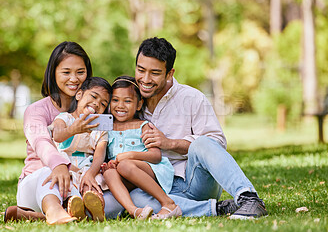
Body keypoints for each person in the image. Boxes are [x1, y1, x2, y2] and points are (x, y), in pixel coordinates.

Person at [104, 37, 268, 220]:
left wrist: (170, 143)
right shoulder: (130, 101)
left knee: (202, 143)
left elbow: (216, 144)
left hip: (195, 181)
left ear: (169, 73)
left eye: (155, 73)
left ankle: (249, 198)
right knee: (135, 197)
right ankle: (217, 208)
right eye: (141, 70)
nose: (146, 79)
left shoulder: (192, 98)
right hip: (158, 187)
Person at [4, 41, 93, 224]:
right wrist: (58, 165)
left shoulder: (92, 110)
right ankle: (53, 211)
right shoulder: (36, 110)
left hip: (75, 183)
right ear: (53, 73)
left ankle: (32, 216)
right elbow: (41, 142)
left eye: (80, 72)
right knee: (49, 173)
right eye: (66, 72)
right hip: (38, 184)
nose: (74, 79)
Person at [101, 76, 181, 220]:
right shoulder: (107, 126)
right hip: (124, 174)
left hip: (149, 170)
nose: (120, 105)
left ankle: (169, 203)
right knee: (109, 174)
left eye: (127, 101)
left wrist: (130, 155)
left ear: (138, 105)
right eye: (115, 100)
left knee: (124, 165)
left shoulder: (143, 126)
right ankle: (134, 211)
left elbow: (156, 156)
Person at [49, 77, 112, 222]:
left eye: (103, 104)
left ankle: (96, 208)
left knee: (93, 184)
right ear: (79, 95)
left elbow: (99, 156)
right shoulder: (65, 118)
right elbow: (57, 135)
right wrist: (73, 129)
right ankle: (74, 205)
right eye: (94, 96)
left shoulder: (101, 130)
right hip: (66, 166)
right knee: (66, 185)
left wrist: (90, 173)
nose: (96, 104)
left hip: (87, 167)